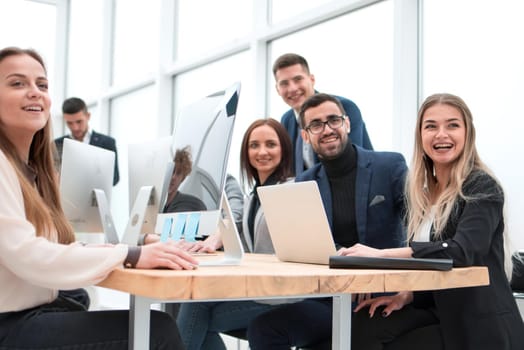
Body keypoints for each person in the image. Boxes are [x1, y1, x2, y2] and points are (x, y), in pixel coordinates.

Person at [0, 46, 198, 349]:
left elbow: (54, 247)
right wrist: (129, 255)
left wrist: (129, 249)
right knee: (158, 330)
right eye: (17, 83)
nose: (34, 92)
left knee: (85, 302)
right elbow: (28, 254)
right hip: (10, 323)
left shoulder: (32, 171)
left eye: (42, 85)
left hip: (30, 310)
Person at [341, 93, 524, 350]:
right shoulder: (425, 193)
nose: (441, 134)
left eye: (452, 125)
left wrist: (381, 254)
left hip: (478, 322)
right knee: (365, 322)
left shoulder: (482, 186)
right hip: (442, 310)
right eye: (431, 126)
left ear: (468, 133)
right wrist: (408, 295)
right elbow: (440, 271)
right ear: (420, 136)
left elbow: (461, 252)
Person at [247, 93, 407, 349]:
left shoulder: (388, 165)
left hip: (380, 293)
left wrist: (404, 289)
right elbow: (305, 249)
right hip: (330, 296)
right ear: (305, 136)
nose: (327, 129)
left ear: (347, 124)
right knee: (263, 328)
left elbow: (419, 231)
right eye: (316, 125)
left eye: (333, 120)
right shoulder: (305, 183)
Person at [175, 118, 295, 350]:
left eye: (271, 144)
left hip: (281, 295)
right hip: (259, 289)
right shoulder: (254, 196)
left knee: (196, 312)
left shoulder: (289, 190)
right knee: (195, 304)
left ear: (284, 149)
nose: (262, 152)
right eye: (254, 145)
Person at [273, 53, 373, 176]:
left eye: (298, 79)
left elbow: (348, 161)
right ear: (277, 89)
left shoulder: (342, 108)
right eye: (284, 83)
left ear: (312, 79)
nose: (292, 88)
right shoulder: (286, 120)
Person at [55, 96, 120, 185]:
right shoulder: (56, 144)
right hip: (64, 197)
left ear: (88, 116)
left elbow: (115, 178)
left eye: (79, 121)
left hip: (95, 197)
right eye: (69, 123)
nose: (75, 127)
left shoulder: (107, 142)